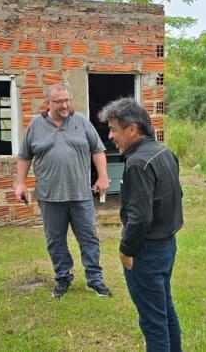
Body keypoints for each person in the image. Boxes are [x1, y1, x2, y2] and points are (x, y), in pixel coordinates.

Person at [99, 98, 184, 352]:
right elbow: (176, 195)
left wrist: (126, 250)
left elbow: (139, 218)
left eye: (114, 129)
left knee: (153, 323)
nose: (110, 135)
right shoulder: (164, 151)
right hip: (167, 245)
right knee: (165, 312)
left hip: (147, 253)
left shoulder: (137, 163)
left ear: (132, 129)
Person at [15, 84, 112, 298]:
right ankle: (63, 278)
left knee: (89, 238)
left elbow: (98, 150)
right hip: (49, 196)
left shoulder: (81, 122)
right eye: (59, 101)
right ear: (48, 103)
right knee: (55, 240)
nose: (65, 105)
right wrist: (21, 183)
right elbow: (24, 156)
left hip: (81, 195)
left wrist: (103, 176)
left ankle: (95, 280)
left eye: (67, 100)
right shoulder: (35, 125)